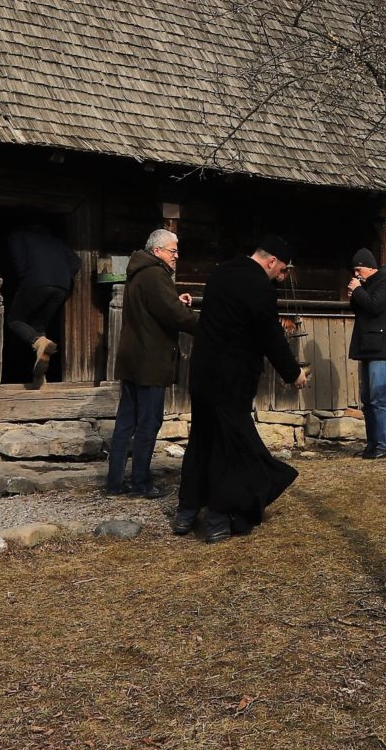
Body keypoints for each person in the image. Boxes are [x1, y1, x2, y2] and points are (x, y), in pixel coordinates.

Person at [175, 236, 309, 543]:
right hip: (230, 378)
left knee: (202, 439)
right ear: (271, 260)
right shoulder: (258, 285)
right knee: (230, 446)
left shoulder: (221, 272)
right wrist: (293, 373)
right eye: (283, 270)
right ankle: (219, 518)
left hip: (203, 373)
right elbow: (269, 335)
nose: (282, 277)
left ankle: (187, 510)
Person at [106, 228, 194, 498]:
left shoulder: (139, 273)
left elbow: (155, 306)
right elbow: (174, 316)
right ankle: (141, 483)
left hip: (134, 359)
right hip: (150, 361)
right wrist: (209, 326)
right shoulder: (156, 274)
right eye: (172, 250)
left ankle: (114, 483)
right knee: (148, 422)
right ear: (157, 251)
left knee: (125, 422)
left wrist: (174, 300)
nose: (176, 255)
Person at [346, 248, 386, 459]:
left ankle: (385, 445)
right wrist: (356, 295)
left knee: (378, 396)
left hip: (380, 347)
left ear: (370, 267)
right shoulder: (369, 284)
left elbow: (374, 306)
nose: (356, 274)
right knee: (367, 398)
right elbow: (362, 309)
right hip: (367, 346)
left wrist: (359, 292)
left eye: (358, 269)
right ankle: (373, 443)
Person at [5, 223, 78, 389]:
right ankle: (40, 378)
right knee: (39, 327)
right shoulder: (56, 242)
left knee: (15, 320)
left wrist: (26, 276)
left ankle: (39, 343)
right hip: (61, 286)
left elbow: (19, 259)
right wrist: (63, 275)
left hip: (36, 281)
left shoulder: (18, 235)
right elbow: (76, 261)